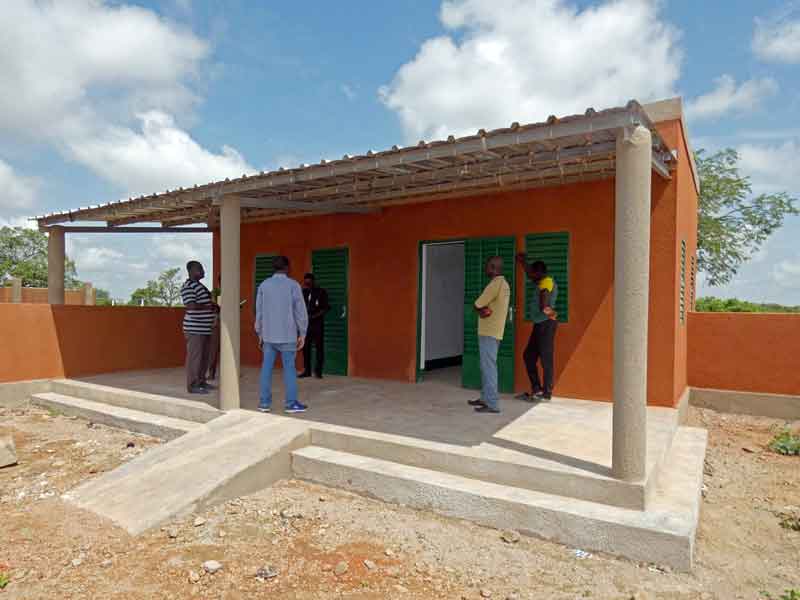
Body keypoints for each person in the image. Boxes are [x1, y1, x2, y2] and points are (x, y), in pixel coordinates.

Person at [254, 255, 309, 413]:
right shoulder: (293, 285)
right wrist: (302, 333)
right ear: (287, 268)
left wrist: (260, 333)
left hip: (269, 336)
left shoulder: (264, 286)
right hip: (288, 336)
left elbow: (259, 312)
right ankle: (291, 404)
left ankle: (264, 403)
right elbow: (300, 311)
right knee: (290, 369)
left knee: (266, 368)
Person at [468, 256, 511, 414]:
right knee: (486, 366)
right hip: (495, 331)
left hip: (488, 332)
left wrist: (478, 309)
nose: (485, 269)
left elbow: (477, 303)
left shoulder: (494, 285)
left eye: (487, 266)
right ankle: (485, 398)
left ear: (493, 267)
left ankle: (492, 404)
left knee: (488, 367)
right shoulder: (505, 284)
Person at [516, 254, 558, 401]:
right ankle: (537, 389)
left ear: (539, 272)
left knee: (546, 359)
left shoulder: (546, 283)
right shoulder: (541, 280)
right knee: (529, 356)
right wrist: (523, 263)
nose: (531, 277)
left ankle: (546, 393)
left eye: (533, 273)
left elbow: (544, 303)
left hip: (546, 324)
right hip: (540, 324)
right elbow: (531, 274)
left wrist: (548, 311)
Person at [180, 261, 217, 395]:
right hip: (194, 329)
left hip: (204, 328)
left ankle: (201, 381)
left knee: (204, 358)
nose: (203, 271)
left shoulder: (199, 286)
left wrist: (212, 306)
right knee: (194, 358)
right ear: (191, 271)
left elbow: (202, 303)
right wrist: (209, 307)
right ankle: (192, 385)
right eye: (199, 269)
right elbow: (191, 306)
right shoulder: (188, 286)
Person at [300, 273, 330, 379]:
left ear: (313, 281)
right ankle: (307, 371)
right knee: (305, 348)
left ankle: (318, 371)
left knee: (319, 348)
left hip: (317, 324)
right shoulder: (303, 292)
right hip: (306, 325)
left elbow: (326, 308)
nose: (307, 284)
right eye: (305, 282)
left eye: (309, 282)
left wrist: (314, 316)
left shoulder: (321, 292)